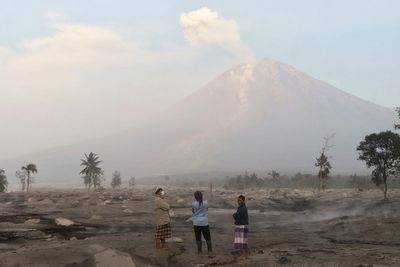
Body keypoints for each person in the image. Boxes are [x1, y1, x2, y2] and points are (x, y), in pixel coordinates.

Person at [233, 195, 249, 259]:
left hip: (242, 226)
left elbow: (236, 216)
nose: (238, 202)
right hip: (242, 225)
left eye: (240, 200)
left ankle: (243, 255)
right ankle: (246, 254)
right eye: (238, 200)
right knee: (244, 241)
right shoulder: (242, 207)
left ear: (243, 201)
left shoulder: (242, 208)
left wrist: (234, 215)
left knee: (242, 241)